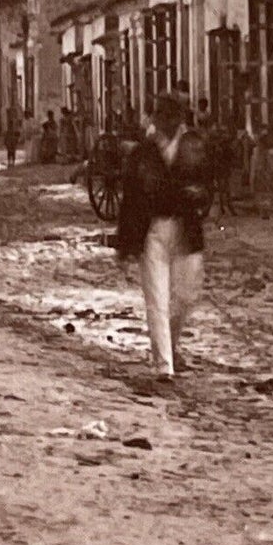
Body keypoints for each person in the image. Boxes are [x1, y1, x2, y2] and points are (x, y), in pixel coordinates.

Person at [115, 91, 209, 381]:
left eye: (168, 116)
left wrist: (201, 196)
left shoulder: (194, 147)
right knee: (157, 297)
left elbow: (208, 181)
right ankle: (163, 365)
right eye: (159, 115)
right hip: (152, 230)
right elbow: (129, 200)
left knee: (186, 295)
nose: (162, 121)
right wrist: (126, 244)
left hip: (186, 229)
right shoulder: (143, 153)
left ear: (178, 119)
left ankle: (171, 344)